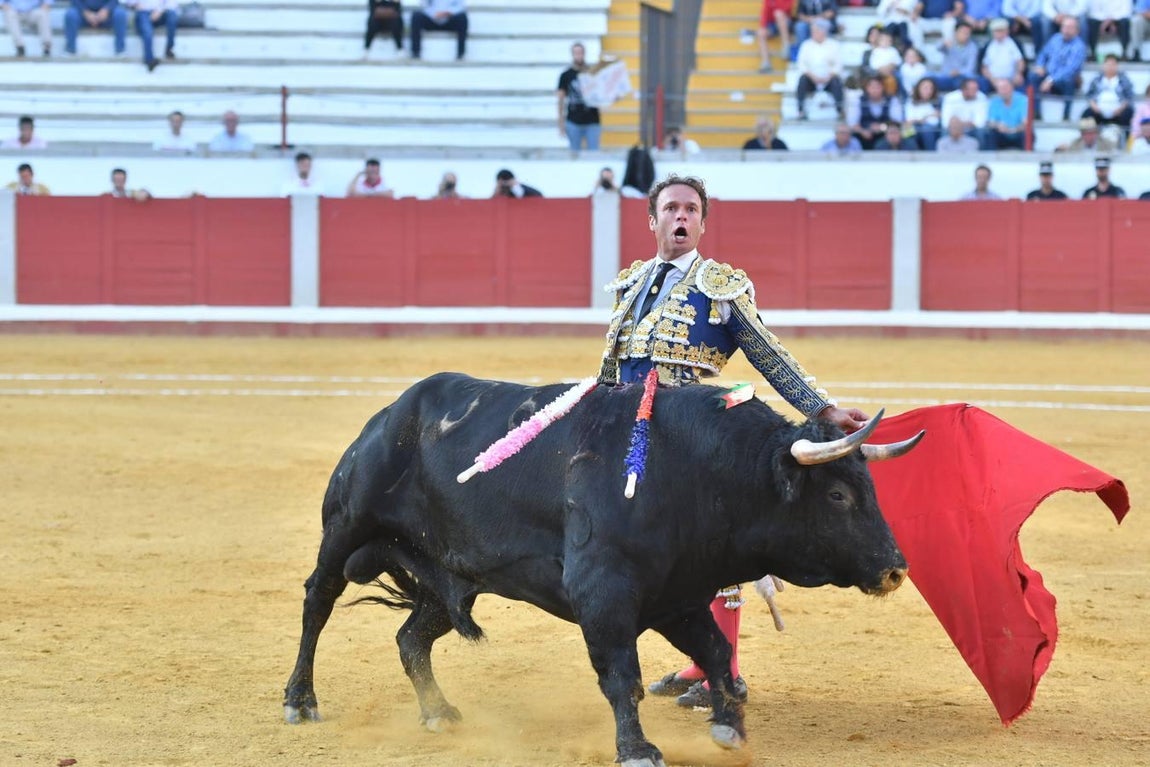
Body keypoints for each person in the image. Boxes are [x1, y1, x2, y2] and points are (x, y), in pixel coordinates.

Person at [601, 174, 869, 709]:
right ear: (652, 220)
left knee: (713, 551)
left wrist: (823, 408)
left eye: (692, 210)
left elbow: (767, 354)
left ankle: (727, 672)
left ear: (702, 222)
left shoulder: (719, 285)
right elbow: (612, 369)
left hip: (698, 439)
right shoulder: (631, 285)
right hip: (635, 436)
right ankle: (703, 659)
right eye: (672, 208)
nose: (682, 217)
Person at [1029, 16, 1088, 120]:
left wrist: (1051, 80)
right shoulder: (1055, 38)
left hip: (1063, 80)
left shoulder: (1079, 46)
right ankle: (1036, 112)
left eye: (1070, 27)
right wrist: (1040, 66)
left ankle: (1066, 116)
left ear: (1077, 30)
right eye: (1064, 27)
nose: (1066, 30)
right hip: (1048, 74)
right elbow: (1043, 54)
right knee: (1033, 77)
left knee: (1069, 81)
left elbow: (1071, 69)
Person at [794, 18, 844, 119]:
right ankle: (800, 110)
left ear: (823, 32)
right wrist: (813, 76)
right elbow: (801, 65)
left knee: (836, 82)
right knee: (802, 80)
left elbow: (838, 65)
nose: (813, 33)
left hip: (829, 78)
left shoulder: (834, 45)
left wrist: (828, 77)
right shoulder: (806, 45)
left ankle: (840, 111)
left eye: (816, 31)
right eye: (813, 31)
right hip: (811, 78)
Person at [557, 42, 601, 152]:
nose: (578, 55)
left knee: (593, 153)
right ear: (572, 54)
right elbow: (560, 99)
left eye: (580, 52)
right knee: (574, 154)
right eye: (576, 52)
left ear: (584, 53)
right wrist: (560, 123)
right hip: (573, 120)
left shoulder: (592, 73)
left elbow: (602, 93)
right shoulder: (566, 75)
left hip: (592, 119)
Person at [1081, 54, 1135, 135]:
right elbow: (1090, 95)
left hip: (1118, 111)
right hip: (1098, 110)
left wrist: (1120, 109)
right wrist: (1094, 107)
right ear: (1104, 65)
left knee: (1128, 114)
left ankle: (1125, 142)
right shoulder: (1097, 80)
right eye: (1108, 64)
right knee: (1087, 115)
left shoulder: (1124, 80)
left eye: (1113, 64)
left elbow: (1128, 97)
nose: (1110, 67)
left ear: (1117, 66)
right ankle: (1087, 142)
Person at [850, 75, 904, 150]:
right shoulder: (858, 101)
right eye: (872, 87)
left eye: (877, 87)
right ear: (867, 88)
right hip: (863, 134)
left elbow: (897, 121)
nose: (875, 90)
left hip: (885, 133)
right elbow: (853, 123)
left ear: (882, 88)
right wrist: (863, 131)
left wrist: (882, 127)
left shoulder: (892, 100)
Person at [978, 18, 1026, 94]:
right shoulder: (988, 45)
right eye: (996, 31)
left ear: (1007, 31)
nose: (998, 33)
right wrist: (993, 80)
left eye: (1001, 31)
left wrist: (1018, 74)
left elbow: (1020, 62)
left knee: (1021, 82)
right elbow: (984, 67)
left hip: (1011, 79)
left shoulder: (1014, 43)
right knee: (981, 81)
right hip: (992, 80)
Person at [64, 0, 128, 56]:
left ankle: (120, 50)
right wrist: (85, 12)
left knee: (120, 14)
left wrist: (107, 10)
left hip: (106, 16)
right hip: (83, 15)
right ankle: (70, 50)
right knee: (70, 14)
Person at [941, 77, 990, 148]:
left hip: (972, 129)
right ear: (964, 90)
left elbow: (980, 123)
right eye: (973, 89)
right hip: (954, 128)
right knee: (944, 131)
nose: (976, 91)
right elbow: (945, 121)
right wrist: (958, 125)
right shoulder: (950, 98)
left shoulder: (982, 98)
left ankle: (980, 156)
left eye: (976, 88)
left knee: (981, 131)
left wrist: (960, 124)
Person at [930, 22, 979, 92]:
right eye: (963, 32)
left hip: (962, 78)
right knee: (928, 78)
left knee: (964, 82)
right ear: (956, 32)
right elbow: (938, 48)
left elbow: (970, 68)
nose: (965, 35)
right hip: (946, 76)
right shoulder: (949, 42)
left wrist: (959, 72)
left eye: (968, 33)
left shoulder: (973, 47)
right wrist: (944, 43)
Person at [129, 0, 177, 71]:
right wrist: (136, 5)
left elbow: (172, 3)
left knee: (172, 15)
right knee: (147, 31)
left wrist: (159, 10)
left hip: (160, 12)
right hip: (143, 13)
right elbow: (129, 2)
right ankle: (149, 60)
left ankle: (169, 48)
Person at [987, 78, 1030, 149]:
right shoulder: (994, 101)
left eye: (1005, 88)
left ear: (1012, 88)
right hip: (1001, 133)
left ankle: (1028, 158)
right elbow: (991, 122)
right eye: (1000, 89)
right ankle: (990, 158)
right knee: (990, 134)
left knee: (1028, 134)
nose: (1003, 91)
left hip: (1018, 132)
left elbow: (1026, 123)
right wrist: (998, 125)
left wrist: (1014, 129)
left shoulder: (1023, 100)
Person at [905, 77, 943, 149]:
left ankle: (930, 155)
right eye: (925, 88)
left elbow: (935, 121)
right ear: (918, 89)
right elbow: (909, 120)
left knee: (927, 128)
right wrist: (927, 117)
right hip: (914, 127)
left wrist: (922, 119)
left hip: (933, 129)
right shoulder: (910, 101)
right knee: (907, 129)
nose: (929, 91)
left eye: (931, 88)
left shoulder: (937, 102)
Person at [756, 0, 793, 73]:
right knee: (760, 33)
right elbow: (765, 12)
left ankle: (786, 46)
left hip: (787, 21)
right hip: (773, 24)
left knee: (779, 14)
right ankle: (766, 63)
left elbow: (787, 9)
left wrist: (775, 5)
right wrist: (763, 26)